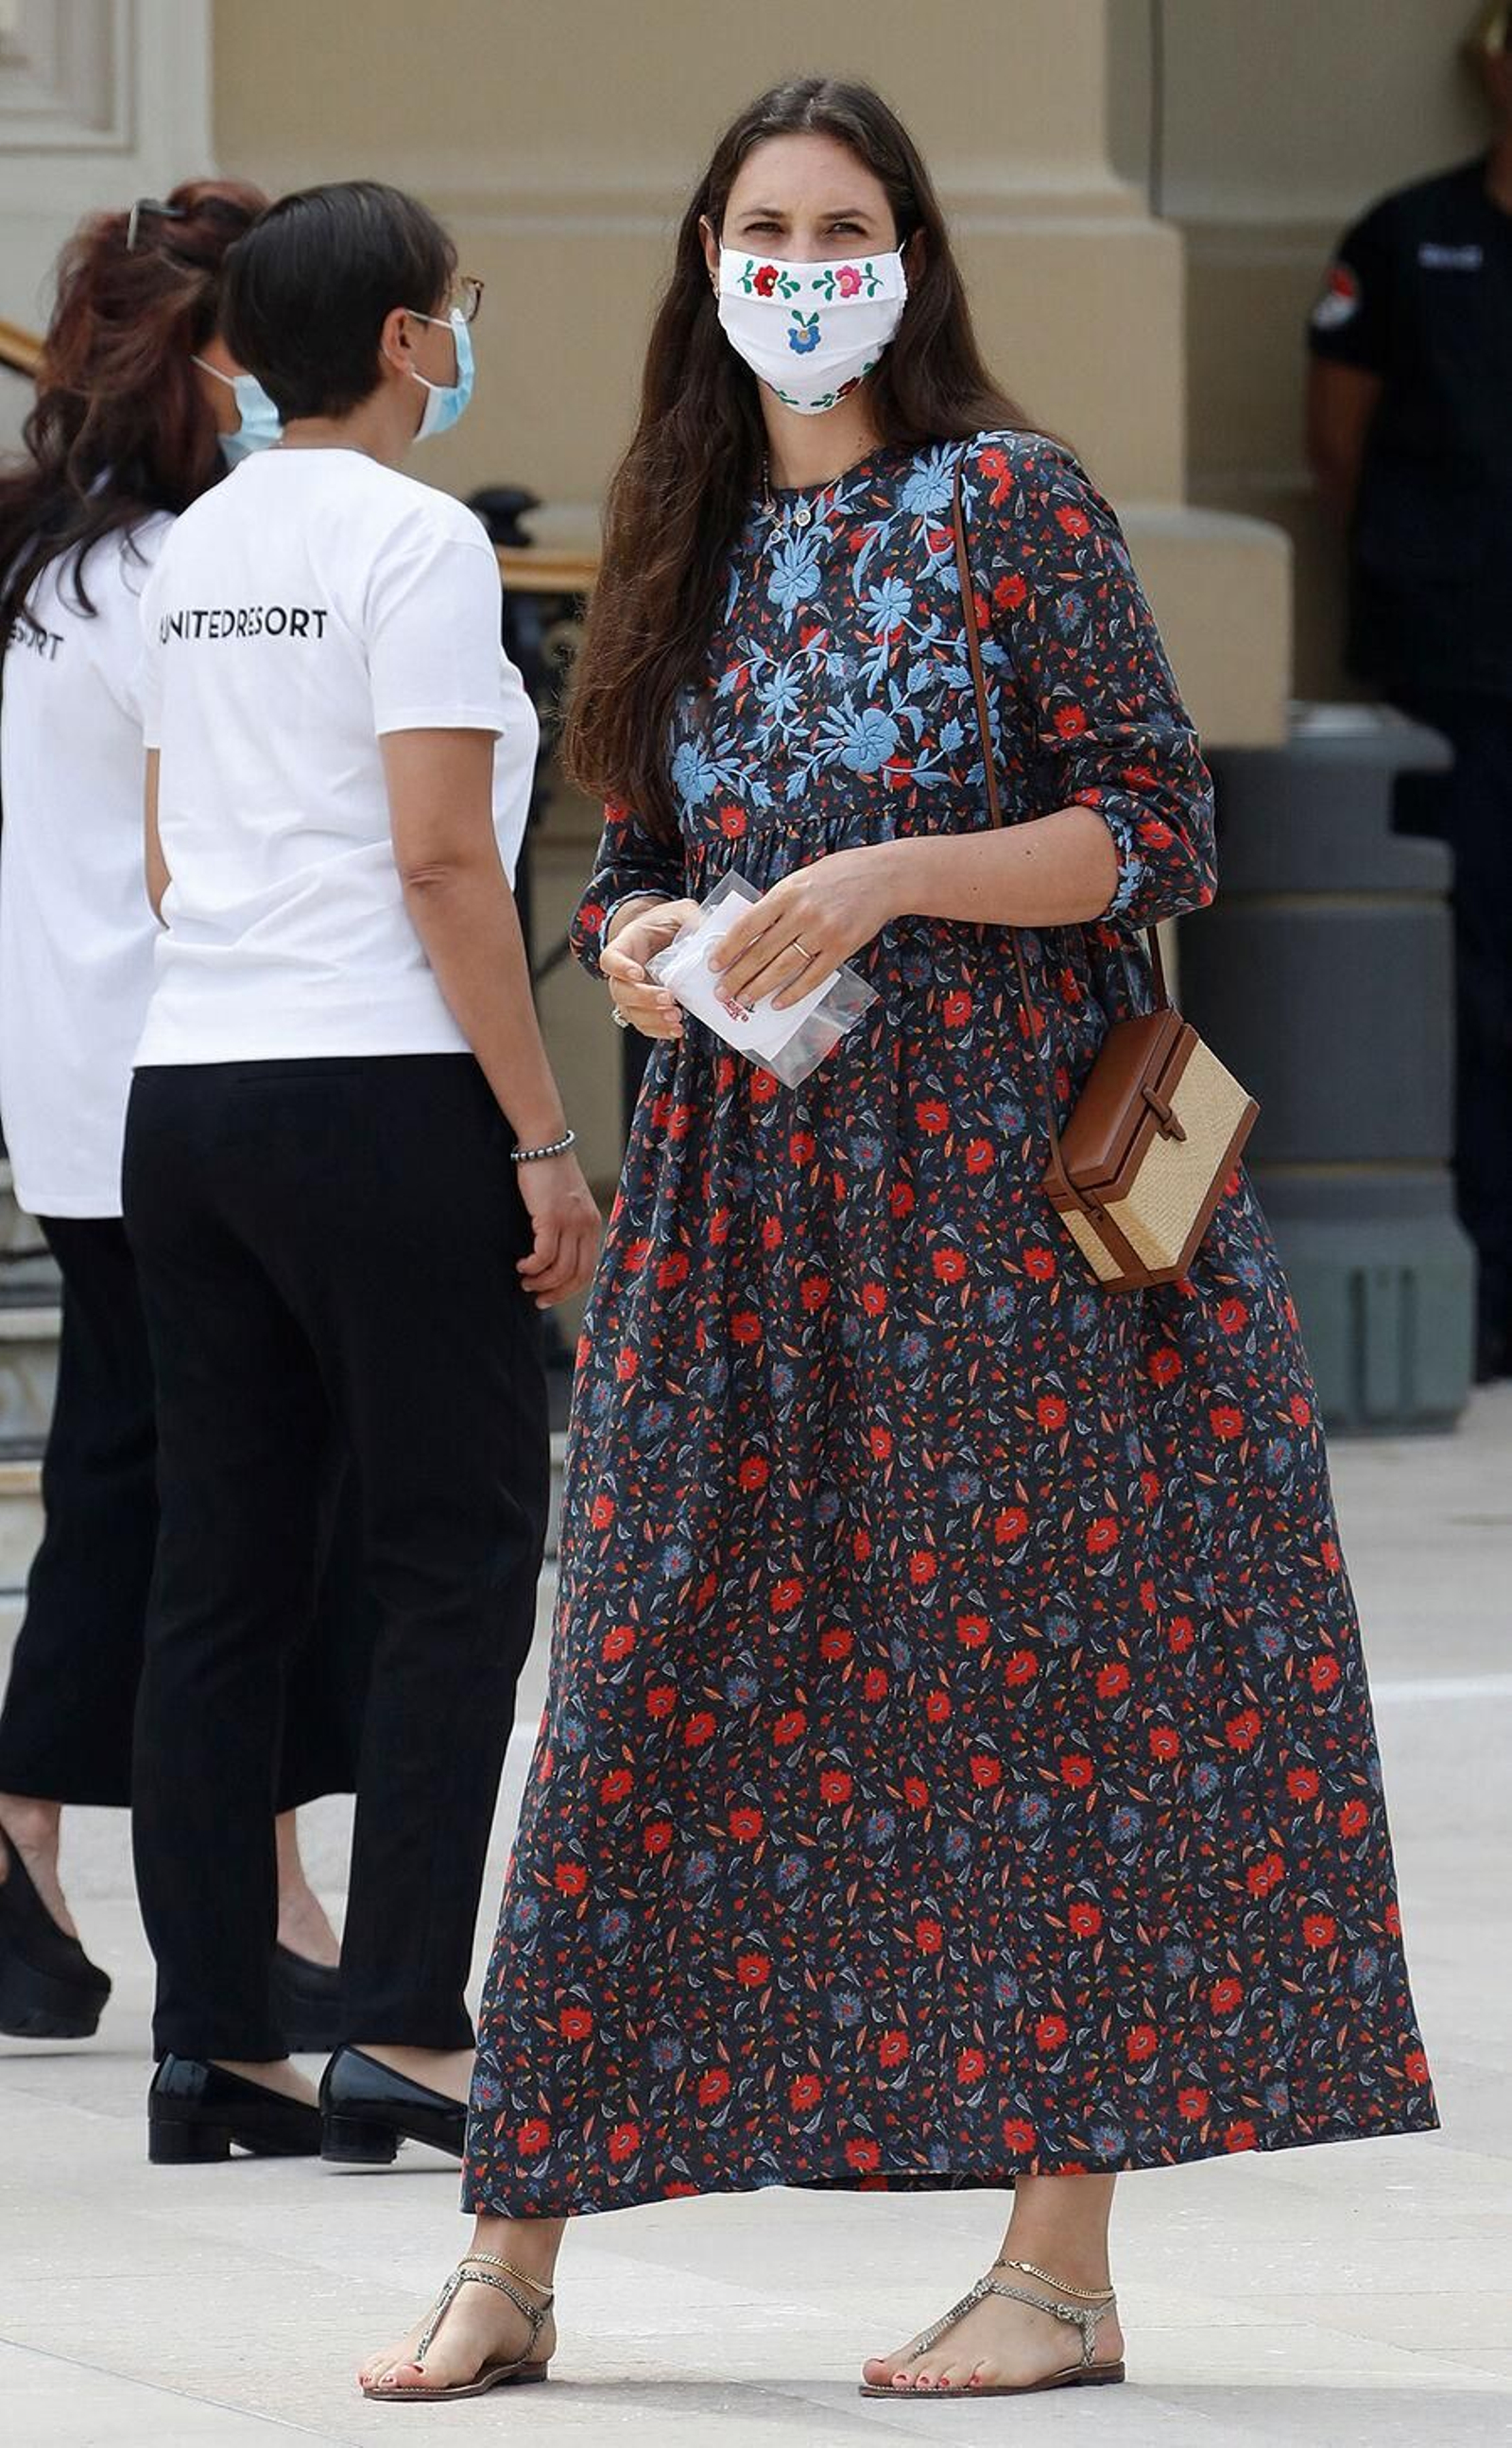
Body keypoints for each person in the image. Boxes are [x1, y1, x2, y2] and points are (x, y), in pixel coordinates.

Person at [360, 79, 1437, 2406]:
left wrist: (889, 874)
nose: (803, 257)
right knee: (636, 1684)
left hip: (1008, 1228)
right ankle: (509, 2247)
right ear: (708, 259)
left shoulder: (1007, 506)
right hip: (747, 1221)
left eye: (844, 221)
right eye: (764, 222)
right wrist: (647, 945)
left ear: (912, 256)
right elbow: (626, 848)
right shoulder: (682, 528)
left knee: (1046, 1713)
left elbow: (1157, 830)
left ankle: (1054, 2269)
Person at [122, 179, 598, 2165]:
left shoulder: (193, 543)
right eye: (451, 307)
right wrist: (544, 1135)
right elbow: (436, 860)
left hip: (192, 1085)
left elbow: (162, 850)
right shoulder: (411, 543)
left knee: (218, 1570)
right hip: (380, 1077)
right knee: (453, 1552)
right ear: (408, 339)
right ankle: (402, 2014)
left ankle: (216, 2033)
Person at [0, 181, 365, 2051]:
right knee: (236, 1501)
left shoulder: (53, 562)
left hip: (81, 1079)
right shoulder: (181, 571)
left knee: (128, 1485)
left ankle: (34, 1850)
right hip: (184, 1077)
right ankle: (257, 1891)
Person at [1306, 3, 1512, 1380]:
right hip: (1462, 673)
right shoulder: (1405, 234)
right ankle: (1487, 1294)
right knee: (1478, 982)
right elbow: (1339, 446)